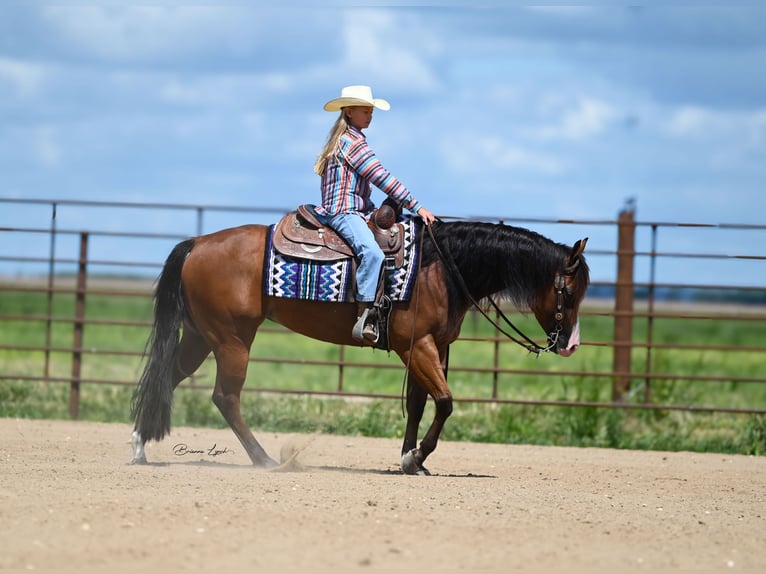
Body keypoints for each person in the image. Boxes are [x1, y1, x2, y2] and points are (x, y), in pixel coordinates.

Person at [313, 85, 435, 343]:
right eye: (365, 110)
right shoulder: (352, 143)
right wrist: (416, 206)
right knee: (372, 253)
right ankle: (365, 314)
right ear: (348, 112)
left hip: (358, 209)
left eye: (371, 110)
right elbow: (381, 177)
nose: (370, 115)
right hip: (344, 211)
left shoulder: (346, 140)